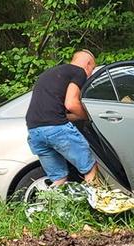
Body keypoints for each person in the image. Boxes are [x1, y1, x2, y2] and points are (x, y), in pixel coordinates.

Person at [25, 49, 98, 186]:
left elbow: (56, 112)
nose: (90, 74)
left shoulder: (50, 74)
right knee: (89, 167)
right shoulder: (78, 72)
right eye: (92, 69)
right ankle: (96, 206)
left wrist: (77, 117)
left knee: (59, 178)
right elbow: (71, 104)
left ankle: (51, 205)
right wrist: (90, 117)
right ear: (88, 64)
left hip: (34, 132)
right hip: (56, 130)